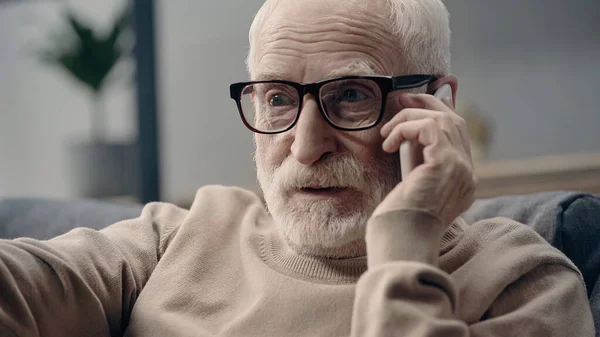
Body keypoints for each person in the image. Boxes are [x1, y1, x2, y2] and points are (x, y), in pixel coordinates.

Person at [0, 0, 595, 336]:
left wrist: (407, 236)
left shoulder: (524, 279)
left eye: (352, 94)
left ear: (437, 106)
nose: (305, 146)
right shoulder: (172, 240)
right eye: (279, 98)